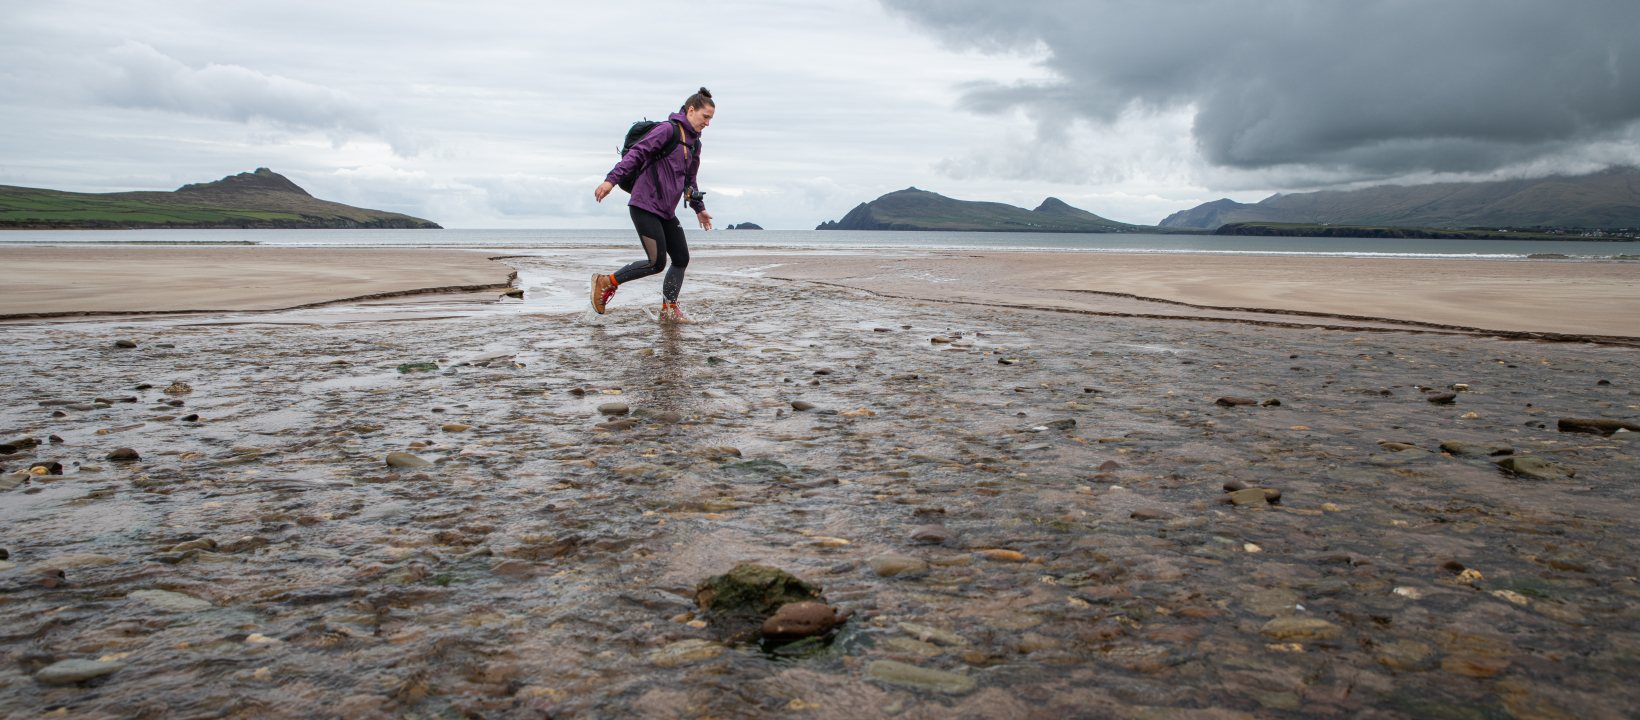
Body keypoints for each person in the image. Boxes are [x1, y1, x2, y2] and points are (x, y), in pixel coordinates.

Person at [592, 87, 715, 322]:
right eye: (705, 116)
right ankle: (605, 282)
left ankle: (669, 309)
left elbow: (690, 180)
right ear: (691, 110)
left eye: (710, 119)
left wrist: (699, 209)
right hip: (644, 204)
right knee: (656, 262)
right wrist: (611, 181)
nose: (707, 123)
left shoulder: (694, 145)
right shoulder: (667, 130)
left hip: (666, 211)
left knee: (681, 258)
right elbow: (637, 153)